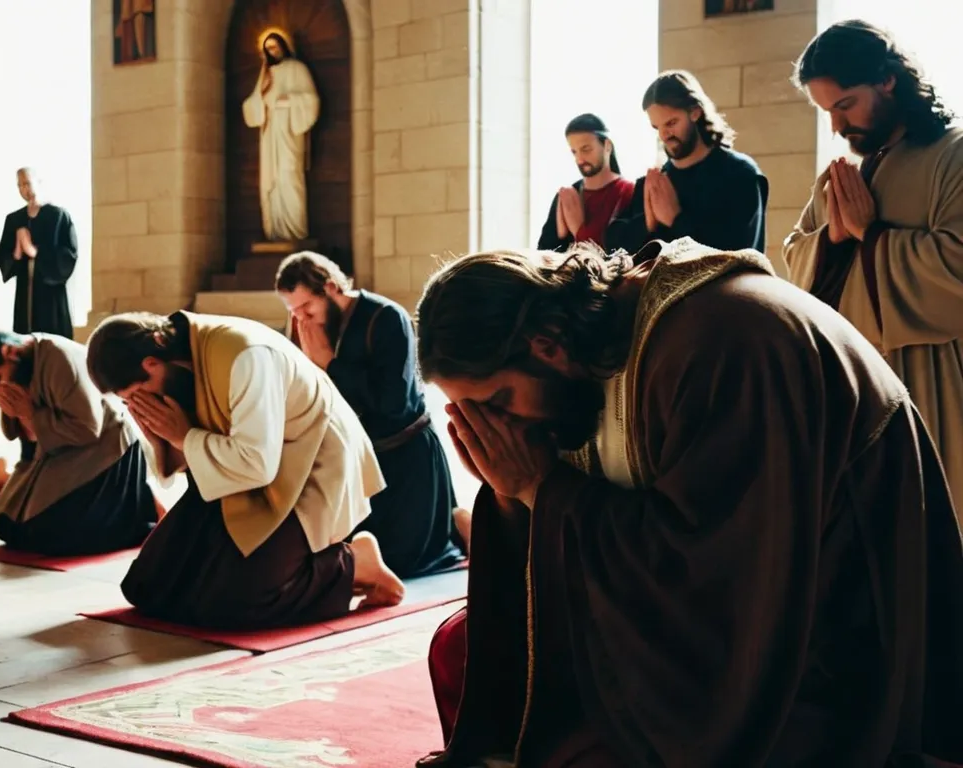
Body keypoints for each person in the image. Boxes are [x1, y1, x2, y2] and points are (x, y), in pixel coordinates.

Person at [412, 241, 963, 767]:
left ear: (547, 344)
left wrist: (540, 489)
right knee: (463, 655)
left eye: (497, 403)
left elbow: (719, 575)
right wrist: (515, 494)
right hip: (713, 608)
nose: (496, 429)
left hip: (830, 623)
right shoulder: (584, 351)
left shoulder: (724, 341)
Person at [85, 310, 406, 629]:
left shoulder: (245, 355)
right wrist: (163, 436)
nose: (143, 403)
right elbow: (191, 461)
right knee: (149, 586)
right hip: (241, 476)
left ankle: (354, 563)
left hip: (310, 465)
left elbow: (257, 464)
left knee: (240, 603)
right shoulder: (175, 363)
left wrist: (183, 436)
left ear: (151, 364)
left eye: (137, 395)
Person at [784, 19, 963, 524]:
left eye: (845, 106)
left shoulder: (954, 157)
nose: (838, 128)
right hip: (852, 395)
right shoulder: (840, 177)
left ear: (887, 80)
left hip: (934, 383)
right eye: (826, 113)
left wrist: (872, 234)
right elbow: (795, 263)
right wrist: (833, 240)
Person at [276, 251, 466, 578]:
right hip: (358, 462)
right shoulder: (310, 328)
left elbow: (396, 403)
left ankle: (463, 526)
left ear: (332, 287)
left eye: (307, 308)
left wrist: (330, 364)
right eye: (294, 312)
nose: (302, 320)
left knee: (403, 563)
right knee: (342, 556)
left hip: (407, 460)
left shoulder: (386, 317)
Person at [0, 329, 157, 556]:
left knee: (51, 535)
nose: (0, 384)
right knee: (9, 526)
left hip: (104, 451)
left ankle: (135, 521)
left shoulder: (59, 357)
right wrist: (17, 412)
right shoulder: (21, 365)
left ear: (10, 351)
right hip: (58, 453)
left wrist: (28, 413)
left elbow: (87, 429)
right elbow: (27, 434)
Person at [605, 71, 776, 271]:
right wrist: (647, 224)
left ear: (695, 112)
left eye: (671, 123)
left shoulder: (740, 174)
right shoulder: (654, 182)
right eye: (656, 127)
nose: (664, 135)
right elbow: (615, 249)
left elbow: (737, 257)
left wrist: (675, 220)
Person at [242, 30, 320, 242]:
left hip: (288, 132)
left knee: (290, 177)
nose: (272, 52)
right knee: (273, 184)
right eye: (268, 49)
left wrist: (287, 101)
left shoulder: (297, 69)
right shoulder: (265, 74)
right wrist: (262, 104)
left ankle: (295, 232)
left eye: (275, 47)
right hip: (270, 136)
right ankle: (275, 233)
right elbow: (252, 105)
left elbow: (311, 100)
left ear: (284, 46)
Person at [0, 167, 77, 339]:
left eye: (28, 183)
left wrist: (34, 250)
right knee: (25, 340)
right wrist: (18, 249)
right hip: (24, 292)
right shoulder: (14, 219)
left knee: (52, 342)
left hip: (50, 294)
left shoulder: (58, 216)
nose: (25, 189)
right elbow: (5, 257)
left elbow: (68, 254)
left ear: (39, 183)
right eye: (20, 185)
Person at [536, 114, 635, 252]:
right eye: (574, 152)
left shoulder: (630, 192)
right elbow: (545, 252)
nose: (580, 159)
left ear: (607, 146)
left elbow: (629, 251)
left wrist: (579, 230)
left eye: (586, 149)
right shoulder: (566, 196)